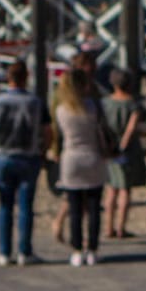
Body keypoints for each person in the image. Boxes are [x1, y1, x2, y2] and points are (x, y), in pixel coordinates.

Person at [0, 60, 48, 265]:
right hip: (27, 155)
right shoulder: (35, 101)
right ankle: (24, 250)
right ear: (26, 77)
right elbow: (47, 130)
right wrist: (44, 150)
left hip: (3, 154)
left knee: (4, 205)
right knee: (25, 206)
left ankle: (4, 251)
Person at [51, 64, 109, 265]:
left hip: (71, 159)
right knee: (94, 208)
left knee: (75, 209)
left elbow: (57, 135)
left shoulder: (61, 110)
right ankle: (92, 248)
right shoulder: (93, 107)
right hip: (92, 157)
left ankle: (76, 249)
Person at [102, 68, 145, 240]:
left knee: (111, 189)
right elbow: (131, 127)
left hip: (109, 146)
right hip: (128, 148)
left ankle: (108, 227)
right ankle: (121, 227)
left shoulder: (105, 103)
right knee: (125, 189)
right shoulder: (133, 103)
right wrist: (124, 144)